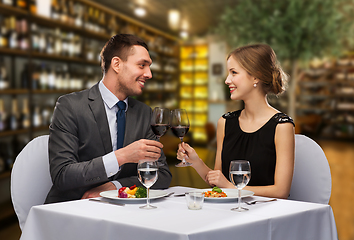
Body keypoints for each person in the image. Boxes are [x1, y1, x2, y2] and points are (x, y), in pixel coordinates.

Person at [45, 34, 172, 203]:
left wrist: (116, 186)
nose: (149, 74)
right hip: (74, 209)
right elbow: (62, 175)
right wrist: (121, 157)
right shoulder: (70, 106)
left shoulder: (144, 113)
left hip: (124, 213)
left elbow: (162, 175)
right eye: (142, 65)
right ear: (117, 64)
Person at [177, 44, 295, 199]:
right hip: (229, 211)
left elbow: (281, 192)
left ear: (256, 76)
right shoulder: (225, 122)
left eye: (234, 73)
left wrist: (230, 187)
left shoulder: (282, 126)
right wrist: (196, 162)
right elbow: (218, 183)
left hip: (265, 215)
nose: (227, 80)